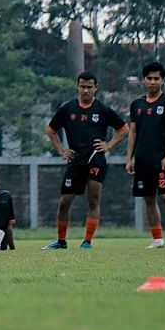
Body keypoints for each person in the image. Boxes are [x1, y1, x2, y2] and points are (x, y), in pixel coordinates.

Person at [43, 70, 128, 250]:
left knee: (93, 199)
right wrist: (61, 151)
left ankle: (87, 241)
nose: (86, 90)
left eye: (89, 87)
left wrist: (108, 145)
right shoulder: (67, 109)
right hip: (75, 161)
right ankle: (61, 241)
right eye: (82, 87)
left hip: (95, 160)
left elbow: (124, 129)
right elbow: (51, 130)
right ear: (77, 86)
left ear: (95, 88)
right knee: (65, 201)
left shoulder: (102, 110)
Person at [126, 60, 165, 249]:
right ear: (143, 80)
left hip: (161, 159)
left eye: (156, 78)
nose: (152, 81)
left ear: (162, 81)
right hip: (142, 160)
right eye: (149, 78)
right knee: (149, 199)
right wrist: (130, 158)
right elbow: (133, 132)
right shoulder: (136, 104)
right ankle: (158, 240)